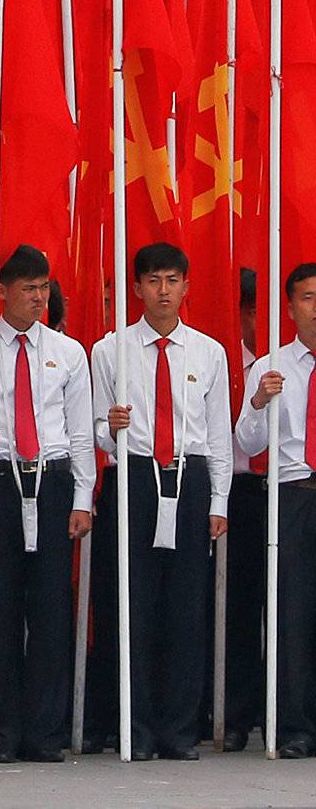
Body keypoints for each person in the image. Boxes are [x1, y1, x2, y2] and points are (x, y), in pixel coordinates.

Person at [0, 241, 96, 762]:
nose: (38, 298)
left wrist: (83, 497)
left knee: (53, 609)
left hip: (51, 478)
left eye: (44, 288)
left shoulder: (67, 352)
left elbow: (80, 432)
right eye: (29, 289)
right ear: (2, 292)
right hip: (0, 480)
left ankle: (46, 732)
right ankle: (0, 732)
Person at [89, 242, 231, 762]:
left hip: (188, 480)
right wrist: (111, 428)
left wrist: (219, 502)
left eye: (173, 280)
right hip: (135, 476)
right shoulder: (110, 351)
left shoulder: (207, 352)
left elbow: (218, 437)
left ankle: (178, 728)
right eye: (153, 281)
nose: (163, 291)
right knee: (135, 605)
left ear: (186, 286)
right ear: (137, 288)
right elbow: (93, 432)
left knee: (186, 609)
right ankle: (138, 726)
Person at [236, 260, 316, 755]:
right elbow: (246, 441)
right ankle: (294, 727)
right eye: (307, 297)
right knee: (291, 615)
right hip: (292, 495)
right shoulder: (272, 366)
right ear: (290, 308)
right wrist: (260, 403)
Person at [224, 269, 266, 753]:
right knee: (236, 605)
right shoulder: (225, 359)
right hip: (237, 488)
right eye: (250, 312)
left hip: (289, 485)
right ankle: (234, 711)